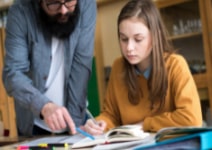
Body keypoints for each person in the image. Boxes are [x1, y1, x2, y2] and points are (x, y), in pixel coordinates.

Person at [83, 0, 202, 135]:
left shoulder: (176, 65)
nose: (129, 48)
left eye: (138, 39)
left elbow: (191, 118)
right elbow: (111, 115)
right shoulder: (118, 67)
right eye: (123, 39)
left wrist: (145, 124)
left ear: (155, 36)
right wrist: (99, 123)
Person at [2, 0, 96, 136]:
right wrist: (44, 106)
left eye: (69, 2)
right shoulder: (20, 11)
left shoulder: (86, 4)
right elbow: (13, 74)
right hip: (33, 125)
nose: (63, 11)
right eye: (54, 4)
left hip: (75, 119)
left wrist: (74, 127)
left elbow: (81, 67)